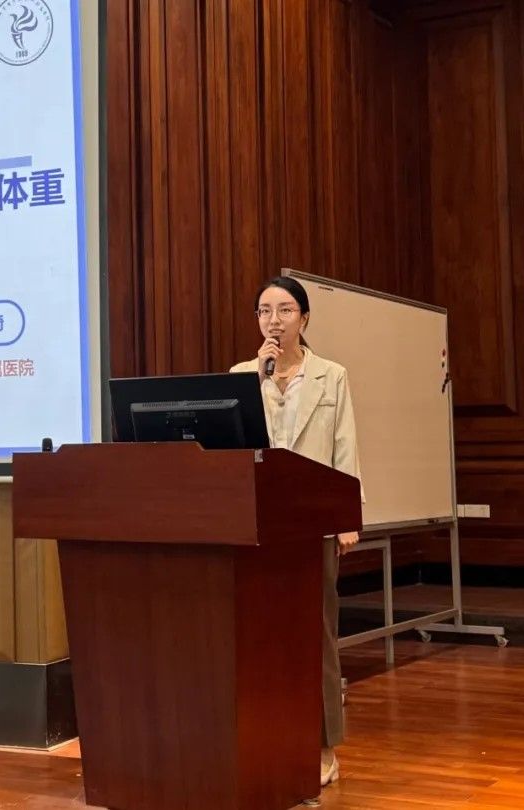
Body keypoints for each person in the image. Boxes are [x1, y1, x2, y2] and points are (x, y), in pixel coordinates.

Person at [230, 275, 363, 790]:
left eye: (285, 310)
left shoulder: (332, 375)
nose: (274, 321)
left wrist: (347, 517)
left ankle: (324, 745)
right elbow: (234, 447)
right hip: (256, 523)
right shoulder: (244, 376)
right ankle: (268, 740)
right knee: (261, 636)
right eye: (265, 311)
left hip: (313, 523)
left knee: (316, 635)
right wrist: (259, 379)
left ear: (304, 318)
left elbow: (345, 446)